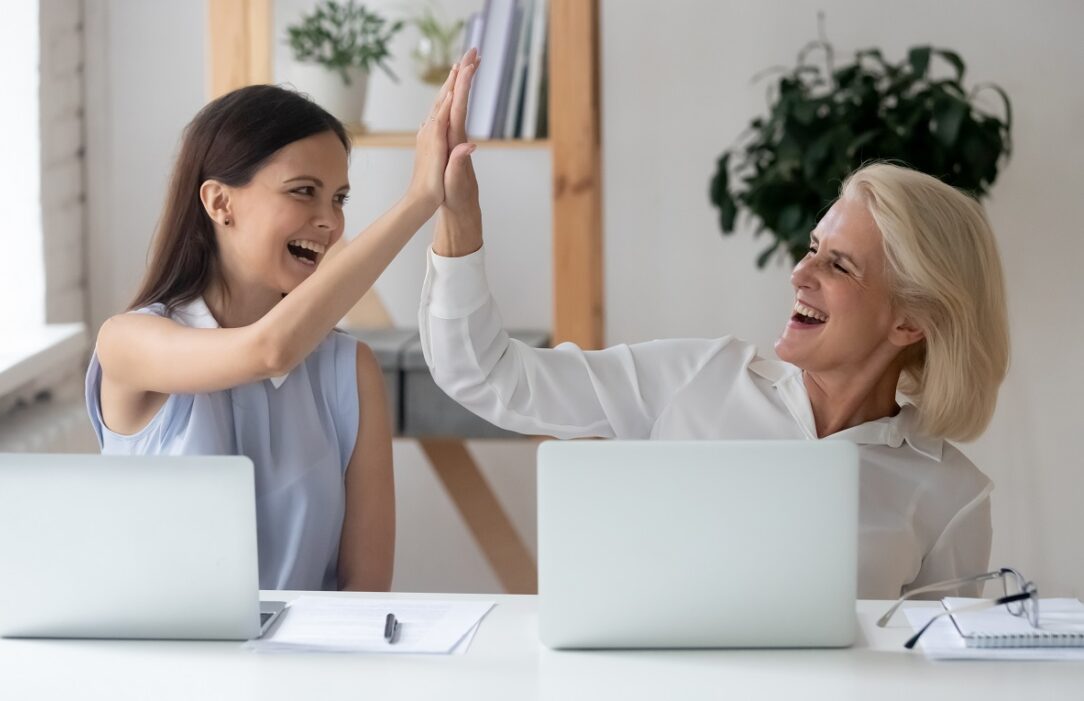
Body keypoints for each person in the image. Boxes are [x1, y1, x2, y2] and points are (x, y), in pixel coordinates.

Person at [420, 159, 1010, 599]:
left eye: (839, 264)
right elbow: (486, 373)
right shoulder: (697, 378)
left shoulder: (952, 494)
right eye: (812, 249)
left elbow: (936, 685)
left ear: (909, 321)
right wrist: (459, 221)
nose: (799, 273)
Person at [85, 51, 481, 592]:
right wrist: (418, 199)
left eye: (338, 198)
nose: (330, 221)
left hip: (309, 673)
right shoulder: (128, 344)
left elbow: (364, 590)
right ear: (220, 202)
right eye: (303, 191)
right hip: (165, 673)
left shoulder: (348, 370)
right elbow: (269, 351)